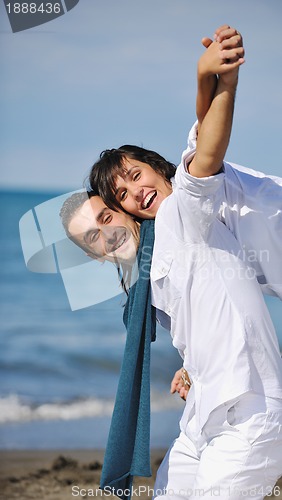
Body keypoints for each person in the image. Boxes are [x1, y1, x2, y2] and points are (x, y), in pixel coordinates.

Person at [89, 26, 282, 499]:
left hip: (248, 412)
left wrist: (220, 81)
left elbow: (208, 148)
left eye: (136, 176)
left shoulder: (184, 207)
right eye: (123, 196)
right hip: (202, 415)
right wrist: (192, 366)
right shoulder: (155, 264)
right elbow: (207, 314)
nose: (136, 192)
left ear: (159, 168)